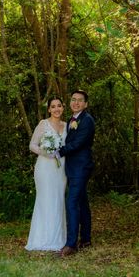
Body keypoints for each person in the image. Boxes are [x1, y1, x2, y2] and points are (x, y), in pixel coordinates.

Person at [25, 96, 67, 251]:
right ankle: (41, 238)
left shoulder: (67, 126)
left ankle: (58, 238)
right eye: (53, 106)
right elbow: (32, 145)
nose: (56, 109)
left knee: (58, 199)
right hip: (44, 167)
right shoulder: (43, 124)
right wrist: (45, 152)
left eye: (59, 106)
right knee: (45, 199)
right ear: (49, 109)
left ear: (63, 108)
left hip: (60, 168)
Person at [56, 90, 95, 257]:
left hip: (81, 167)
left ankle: (71, 244)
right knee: (81, 201)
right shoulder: (71, 121)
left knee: (71, 202)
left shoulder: (87, 120)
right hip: (72, 167)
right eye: (73, 100)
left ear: (85, 104)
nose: (76, 103)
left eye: (80, 100)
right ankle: (85, 238)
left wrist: (59, 152)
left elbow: (78, 143)